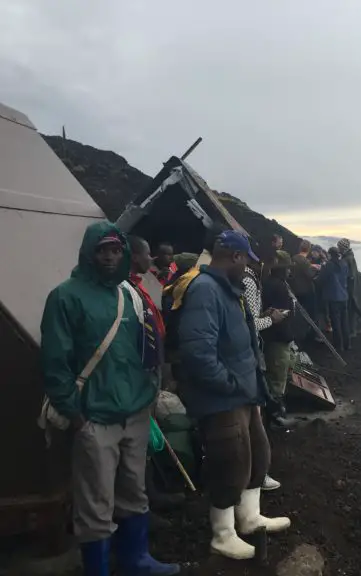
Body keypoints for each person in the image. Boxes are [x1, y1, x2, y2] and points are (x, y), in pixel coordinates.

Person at [40, 222, 179, 576]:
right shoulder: (65, 296)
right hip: (94, 418)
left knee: (134, 489)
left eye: (116, 250)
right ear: (89, 252)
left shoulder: (128, 294)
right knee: (95, 503)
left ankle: (137, 560)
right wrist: (76, 417)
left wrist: (147, 398)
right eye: (103, 250)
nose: (110, 256)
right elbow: (55, 363)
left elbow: (143, 349)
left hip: (134, 413)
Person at [177, 230, 290, 560]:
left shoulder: (228, 289)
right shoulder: (205, 291)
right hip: (223, 397)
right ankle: (223, 533)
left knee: (255, 452)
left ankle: (249, 518)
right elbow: (198, 352)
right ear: (235, 257)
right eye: (247, 261)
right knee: (230, 461)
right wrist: (230, 385)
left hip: (243, 391)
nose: (249, 269)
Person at [125, 236, 186, 517]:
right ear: (134, 256)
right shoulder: (125, 290)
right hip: (138, 376)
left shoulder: (137, 286)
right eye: (148, 253)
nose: (151, 259)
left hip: (150, 371)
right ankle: (142, 499)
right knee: (138, 439)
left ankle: (148, 492)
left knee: (146, 435)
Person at [242, 250, 286, 492]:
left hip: (247, 352)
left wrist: (263, 315)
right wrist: (272, 320)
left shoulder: (245, 279)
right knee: (253, 416)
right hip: (249, 353)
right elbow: (250, 323)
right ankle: (256, 475)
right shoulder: (248, 281)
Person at [261, 250, 295, 420]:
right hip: (278, 338)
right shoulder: (278, 286)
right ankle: (276, 413)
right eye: (287, 268)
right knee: (277, 375)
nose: (289, 271)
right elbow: (282, 313)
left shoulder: (270, 283)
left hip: (274, 337)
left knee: (277, 372)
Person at [319, 247, 351, 351]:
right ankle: (347, 344)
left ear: (330, 254)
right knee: (344, 322)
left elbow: (322, 279)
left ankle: (339, 346)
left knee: (336, 322)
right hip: (344, 297)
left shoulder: (329, 265)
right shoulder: (344, 263)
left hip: (334, 298)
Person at [290, 239, 318, 340]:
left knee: (298, 312)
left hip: (296, 289)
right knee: (310, 313)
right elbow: (310, 275)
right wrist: (316, 269)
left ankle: (297, 332)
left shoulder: (293, 258)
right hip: (306, 291)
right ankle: (309, 335)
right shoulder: (305, 261)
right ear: (309, 249)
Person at [337, 238, 361, 337]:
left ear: (342, 248)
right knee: (350, 310)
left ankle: (351, 331)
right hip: (351, 290)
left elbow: (349, 276)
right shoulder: (349, 257)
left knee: (350, 311)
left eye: (339, 247)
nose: (338, 248)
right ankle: (351, 330)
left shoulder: (347, 259)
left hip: (349, 290)